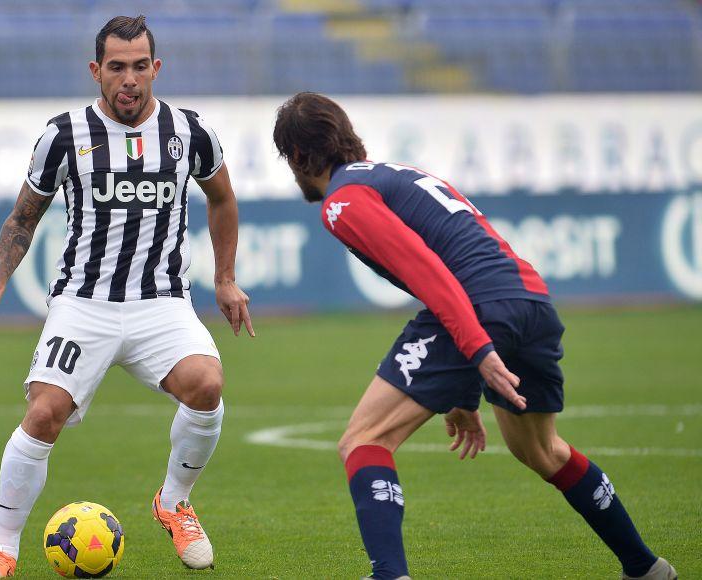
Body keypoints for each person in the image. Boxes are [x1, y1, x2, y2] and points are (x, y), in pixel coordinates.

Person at [272, 92, 676, 580]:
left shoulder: (343, 201)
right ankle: (646, 567)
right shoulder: (394, 174)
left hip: (479, 307)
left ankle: (389, 575)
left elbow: (430, 271)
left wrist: (478, 351)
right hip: (530, 301)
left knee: (364, 439)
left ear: (296, 157)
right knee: (542, 451)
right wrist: (463, 391)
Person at [0, 15, 253, 578]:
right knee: (43, 414)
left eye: (140, 66)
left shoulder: (190, 132)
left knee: (208, 386)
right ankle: (1, 549)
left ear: (156, 68)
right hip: (83, 304)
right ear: (96, 70)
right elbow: (25, 215)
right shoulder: (63, 134)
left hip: (162, 303)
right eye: (116, 67)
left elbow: (222, 198)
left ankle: (174, 503)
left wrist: (224, 277)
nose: (129, 80)